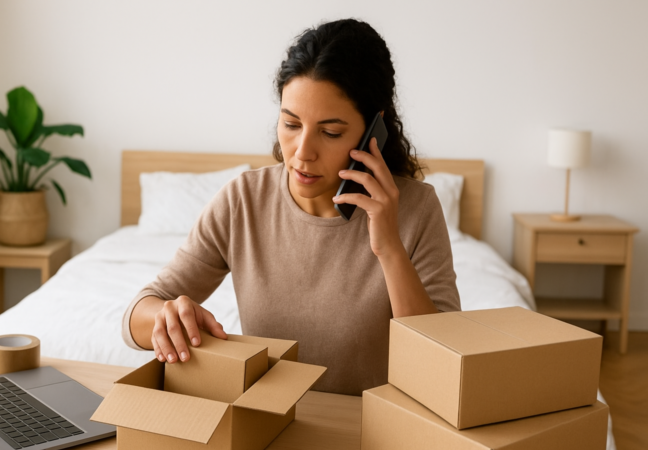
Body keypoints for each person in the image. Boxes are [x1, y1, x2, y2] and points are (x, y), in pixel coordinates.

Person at [122, 19, 460, 396]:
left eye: (330, 132)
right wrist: (165, 317)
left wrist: (389, 249)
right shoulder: (243, 201)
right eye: (290, 124)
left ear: (373, 133)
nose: (302, 152)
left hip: (371, 434)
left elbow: (443, 362)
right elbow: (137, 313)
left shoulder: (417, 209)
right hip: (268, 427)